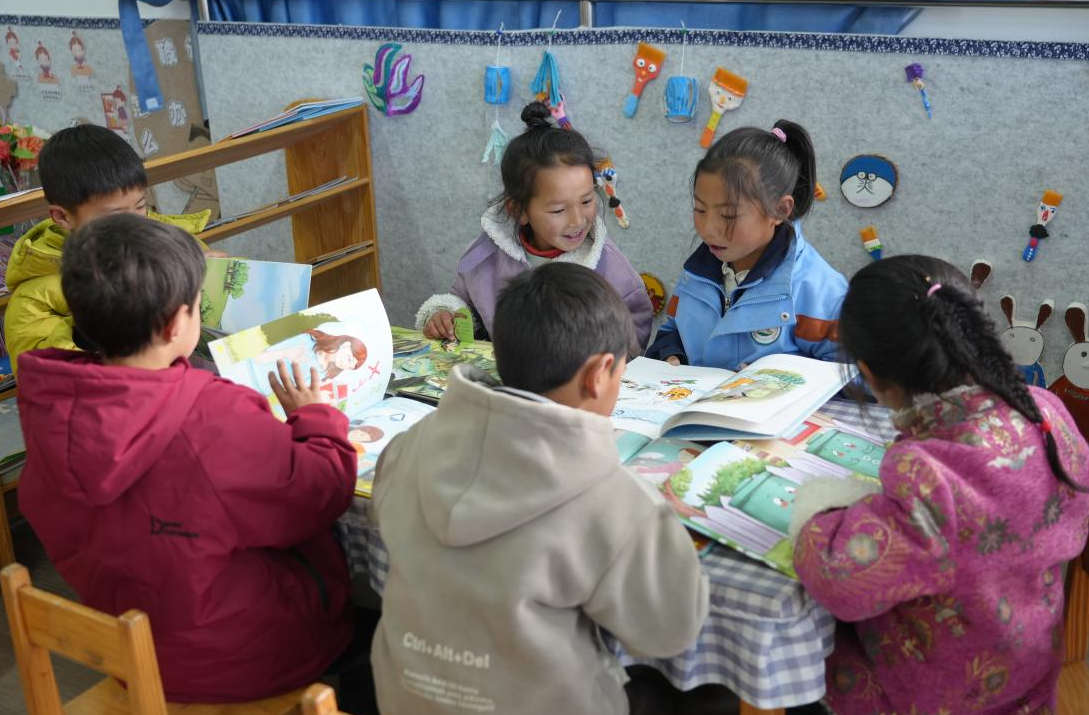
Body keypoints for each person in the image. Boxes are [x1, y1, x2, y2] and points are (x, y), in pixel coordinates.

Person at [16, 213, 362, 704]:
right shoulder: (212, 415)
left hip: (130, 654)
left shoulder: (51, 404)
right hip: (240, 661)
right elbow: (322, 492)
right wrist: (316, 417)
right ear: (177, 323)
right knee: (370, 620)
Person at [373, 262, 708, 715]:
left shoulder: (409, 445)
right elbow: (670, 631)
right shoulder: (618, 502)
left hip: (402, 701)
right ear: (599, 374)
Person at [789, 255, 1089, 715]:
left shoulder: (926, 471)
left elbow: (838, 579)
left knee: (803, 652)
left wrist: (820, 507)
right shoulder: (1044, 410)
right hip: (1027, 672)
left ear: (868, 374)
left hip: (936, 692)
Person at [415, 101, 653, 349]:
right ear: (518, 210)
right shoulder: (486, 254)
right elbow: (463, 303)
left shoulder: (609, 268)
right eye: (558, 210)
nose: (578, 220)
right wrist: (446, 315)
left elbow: (635, 331)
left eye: (586, 201)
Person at [4, 123, 215, 374]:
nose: (135, 224)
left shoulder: (171, 243)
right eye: (115, 216)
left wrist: (207, 273)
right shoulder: (33, 302)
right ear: (62, 216)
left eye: (140, 206)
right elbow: (54, 382)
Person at [646, 120, 845, 371]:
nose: (708, 229)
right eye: (700, 209)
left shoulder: (819, 291)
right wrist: (670, 355)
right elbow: (673, 330)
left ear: (779, 210)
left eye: (728, 215)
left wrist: (776, 381)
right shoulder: (696, 273)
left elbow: (851, 375)